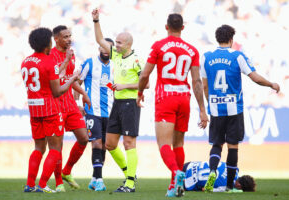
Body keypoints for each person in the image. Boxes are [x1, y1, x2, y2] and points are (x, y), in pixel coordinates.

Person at [201, 24, 280, 193]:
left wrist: (210, 103)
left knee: (216, 144)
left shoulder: (206, 57)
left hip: (215, 108)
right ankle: (229, 186)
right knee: (233, 146)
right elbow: (255, 78)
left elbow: (205, 86)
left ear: (217, 39)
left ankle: (213, 171)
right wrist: (270, 84)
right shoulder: (237, 56)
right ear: (231, 39)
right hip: (234, 109)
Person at [137, 13, 209, 197]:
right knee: (178, 143)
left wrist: (139, 93)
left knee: (164, 143)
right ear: (183, 28)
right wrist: (202, 110)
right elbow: (196, 82)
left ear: (166, 26)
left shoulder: (159, 46)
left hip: (165, 97)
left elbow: (145, 74)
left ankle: (176, 173)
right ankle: (174, 186)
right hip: (184, 98)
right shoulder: (192, 50)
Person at [92, 8, 148, 193]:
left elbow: (145, 85)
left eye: (119, 42)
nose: (115, 45)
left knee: (129, 143)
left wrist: (126, 86)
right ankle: (129, 172)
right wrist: (96, 21)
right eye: (115, 42)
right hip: (116, 104)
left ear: (129, 44)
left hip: (130, 104)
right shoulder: (116, 55)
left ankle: (130, 183)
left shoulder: (136, 60)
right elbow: (100, 40)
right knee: (109, 144)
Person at [22, 27, 79, 193]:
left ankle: (30, 185)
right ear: (47, 44)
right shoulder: (49, 62)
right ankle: (43, 184)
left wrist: (65, 63)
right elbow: (58, 91)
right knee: (55, 148)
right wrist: (72, 79)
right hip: (50, 110)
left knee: (38, 147)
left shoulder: (26, 61)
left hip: (34, 109)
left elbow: (47, 74)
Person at [50, 25, 91, 192]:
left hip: (70, 104)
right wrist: (66, 60)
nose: (69, 39)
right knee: (57, 146)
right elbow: (56, 77)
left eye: (70, 36)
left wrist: (83, 93)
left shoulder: (71, 54)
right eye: (65, 36)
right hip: (56, 104)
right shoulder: (51, 55)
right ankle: (59, 182)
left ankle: (66, 171)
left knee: (84, 138)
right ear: (56, 39)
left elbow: (70, 78)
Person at [74, 38, 115, 191]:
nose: (105, 50)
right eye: (103, 47)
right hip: (92, 110)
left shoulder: (115, 66)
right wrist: (78, 103)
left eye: (108, 48)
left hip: (110, 112)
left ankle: (94, 178)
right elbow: (77, 82)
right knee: (96, 143)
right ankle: (99, 180)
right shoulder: (89, 63)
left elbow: (112, 86)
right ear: (98, 47)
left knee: (104, 145)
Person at [183, 161, 256, 192]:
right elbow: (204, 189)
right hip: (187, 181)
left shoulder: (233, 168)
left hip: (189, 165)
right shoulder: (226, 187)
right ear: (239, 185)